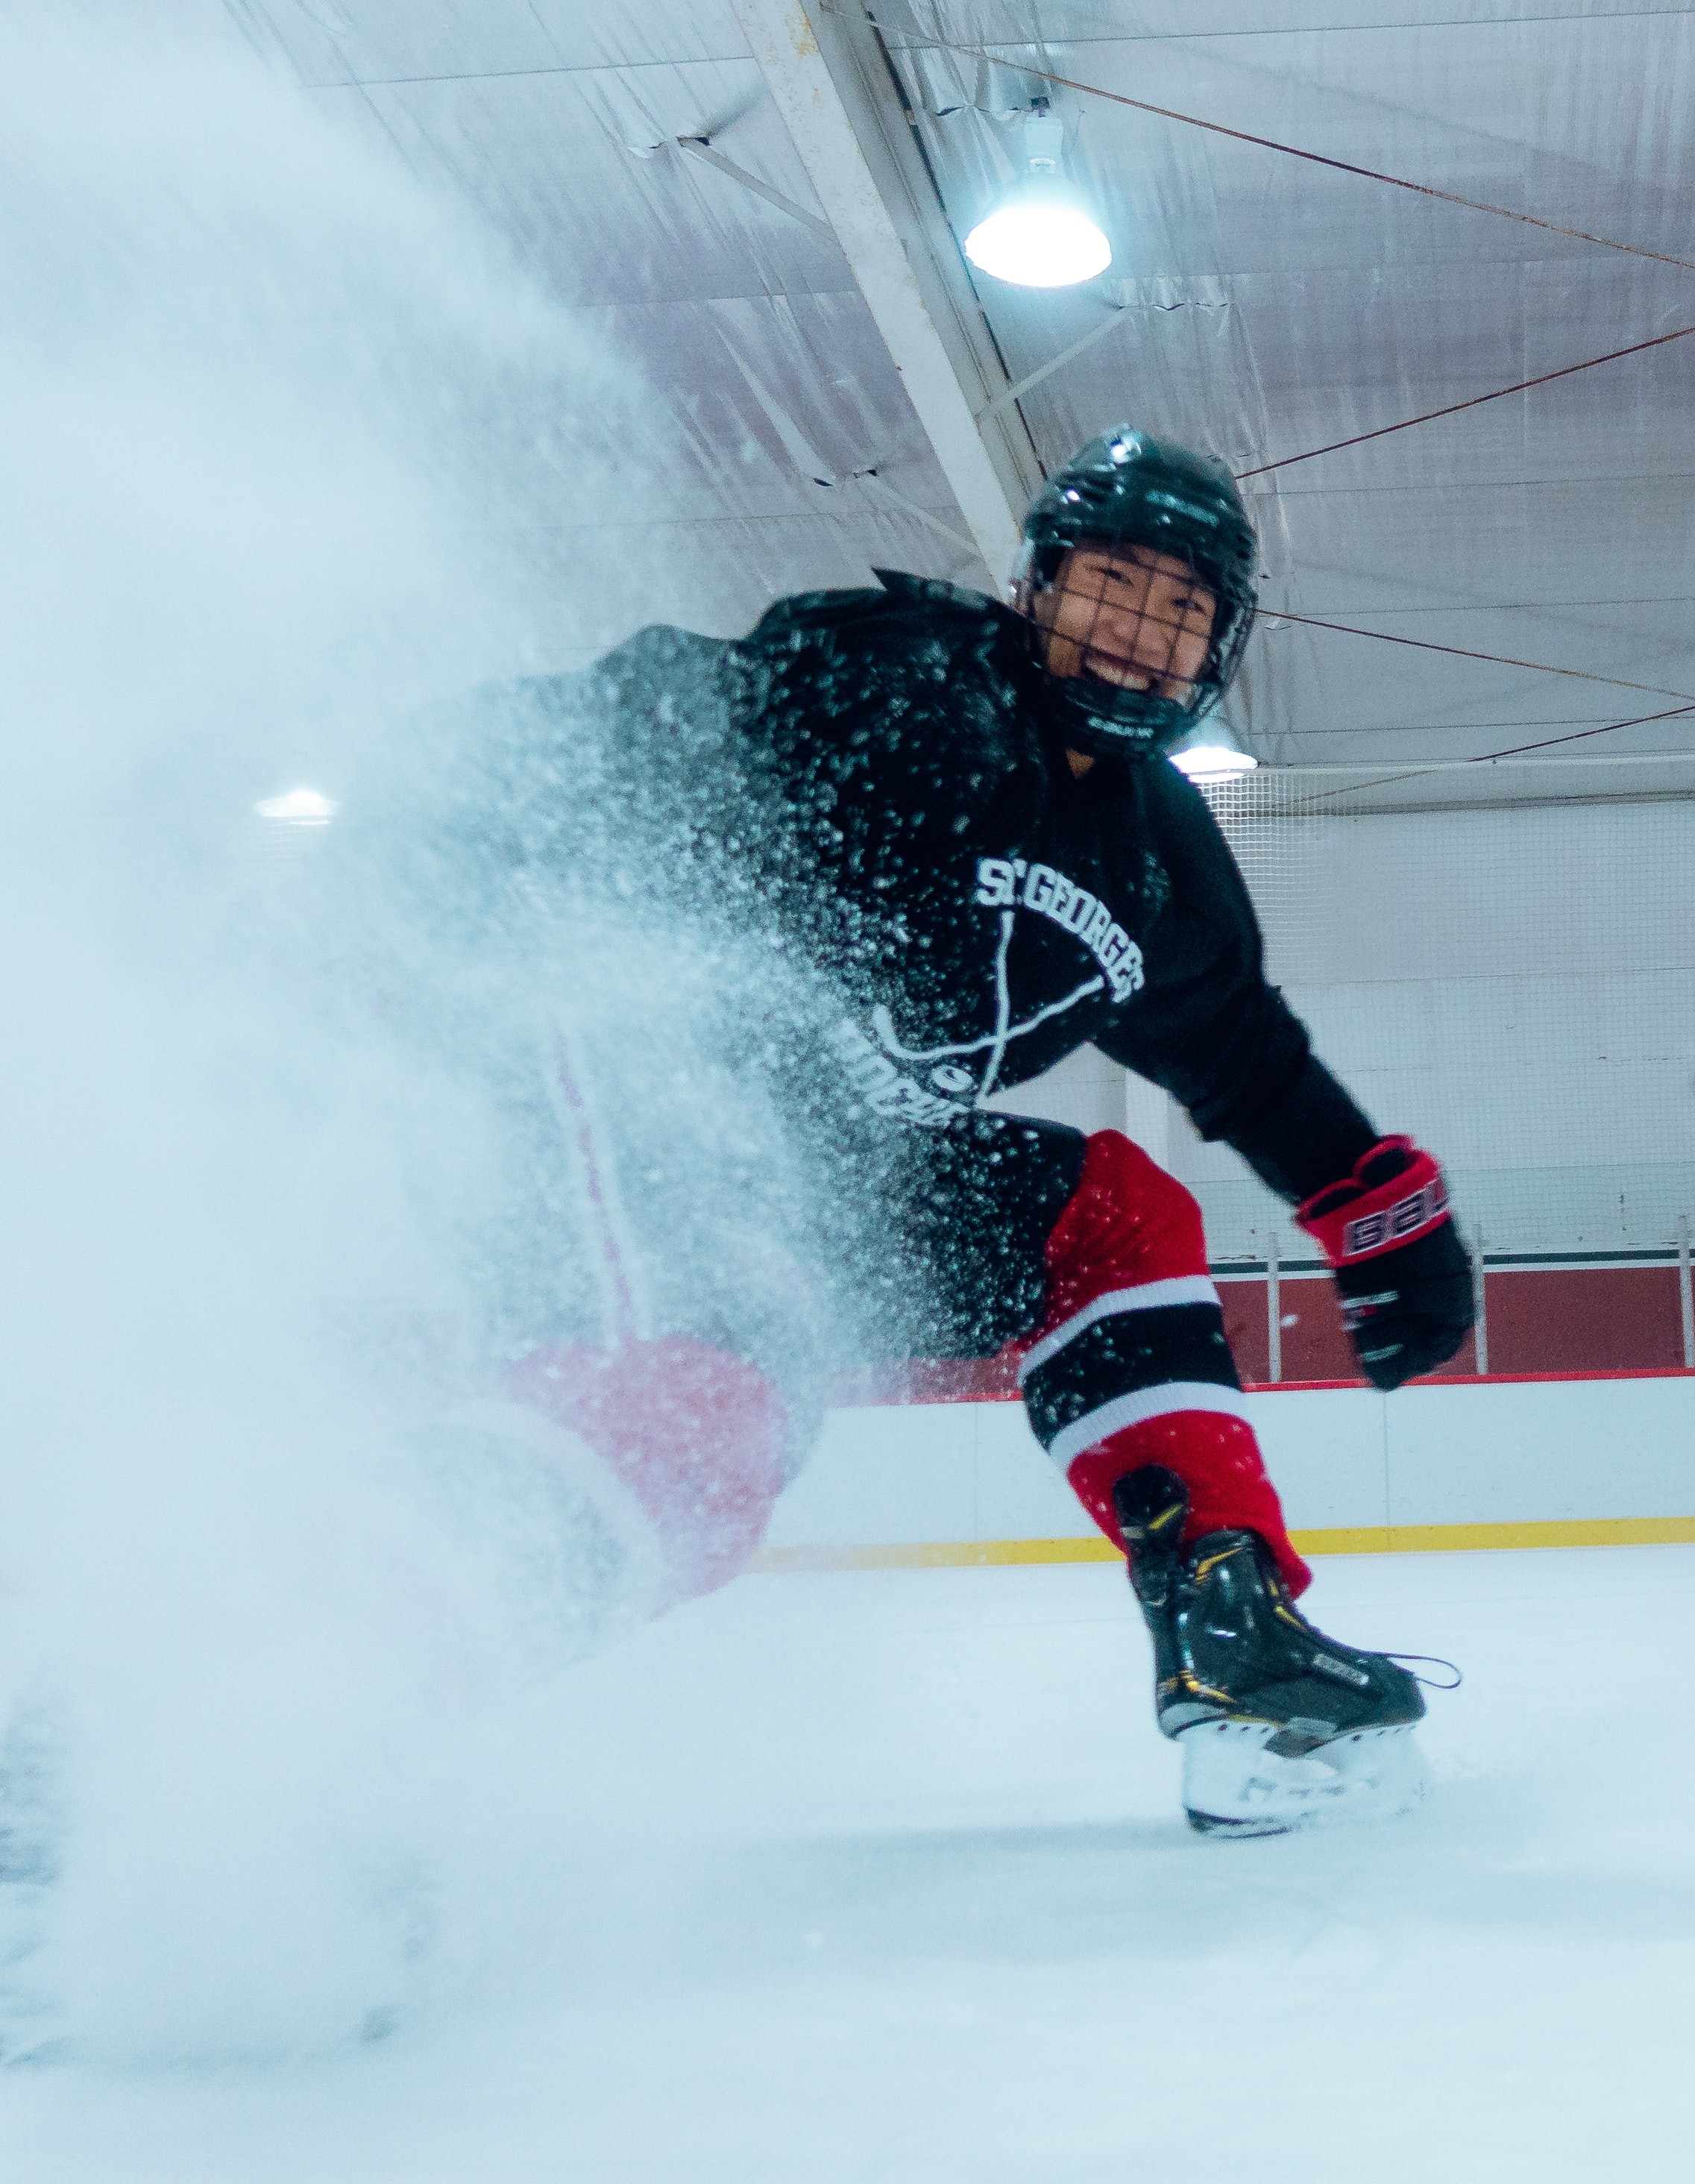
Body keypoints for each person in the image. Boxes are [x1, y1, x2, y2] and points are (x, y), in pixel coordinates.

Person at [393, 427, 1476, 1833]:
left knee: (1109, 1211)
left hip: (813, 1177)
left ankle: (1232, 1632)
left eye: (1183, 605)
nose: (1142, 633)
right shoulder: (899, 682)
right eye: (1112, 584)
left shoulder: (1161, 872)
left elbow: (1248, 1061)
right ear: (1038, 588)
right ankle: (236, 1724)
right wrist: (425, 842)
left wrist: (1384, 1219)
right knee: (697, 1411)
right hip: (625, 1086)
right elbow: (648, 707)